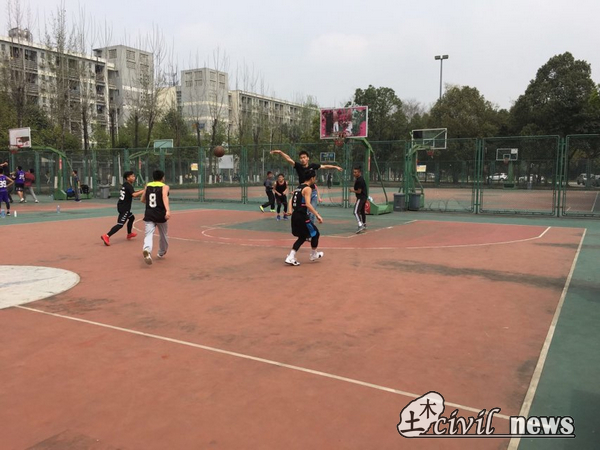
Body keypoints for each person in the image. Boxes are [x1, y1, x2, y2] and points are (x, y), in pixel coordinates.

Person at [270, 149, 342, 223]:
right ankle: (305, 224)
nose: (303, 159)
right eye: (301, 158)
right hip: (303, 192)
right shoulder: (298, 166)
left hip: (312, 192)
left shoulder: (312, 166)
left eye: (304, 157)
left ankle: (311, 225)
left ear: (308, 158)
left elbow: (324, 166)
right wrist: (280, 152)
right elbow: (289, 159)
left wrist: (335, 167)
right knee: (304, 212)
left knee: (311, 213)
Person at [285, 169, 324, 266]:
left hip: (295, 215)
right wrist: (317, 215)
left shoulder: (298, 188)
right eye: (315, 178)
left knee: (302, 237)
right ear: (312, 178)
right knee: (316, 233)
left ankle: (291, 256)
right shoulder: (308, 189)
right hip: (302, 216)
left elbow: (290, 200)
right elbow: (308, 204)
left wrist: (290, 210)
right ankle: (314, 254)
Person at [101, 171, 145, 246]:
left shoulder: (125, 185)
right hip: (124, 208)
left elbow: (132, 192)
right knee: (120, 224)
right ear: (128, 178)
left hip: (121, 205)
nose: (134, 177)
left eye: (134, 176)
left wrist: (141, 190)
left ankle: (129, 234)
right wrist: (144, 191)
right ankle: (107, 235)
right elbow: (134, 194)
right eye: (132, 176)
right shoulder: (129, 186)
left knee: (131, 218)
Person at [140, 169, 171, 265]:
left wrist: (150, 204)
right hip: (160, 213)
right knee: (163, 234)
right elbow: (164, 197)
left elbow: (142, 199)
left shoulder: (147, 186)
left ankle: (147, 250)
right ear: (162, 177)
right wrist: (167, 210)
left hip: (149, 213)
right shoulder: (165, 187)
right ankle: (161, 252)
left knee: (148, 234)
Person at [350, 166, 368, 233]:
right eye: (353, 172)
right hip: (364, 197)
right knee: (362, 211)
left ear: (359, 173)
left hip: (361, 198)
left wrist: (352, 190)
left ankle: (360, 225)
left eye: (355, 172)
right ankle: (364, 224)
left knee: (355, 212)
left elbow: (359, 191)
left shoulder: (360, 180)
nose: (354, 173)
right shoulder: (359, 179)